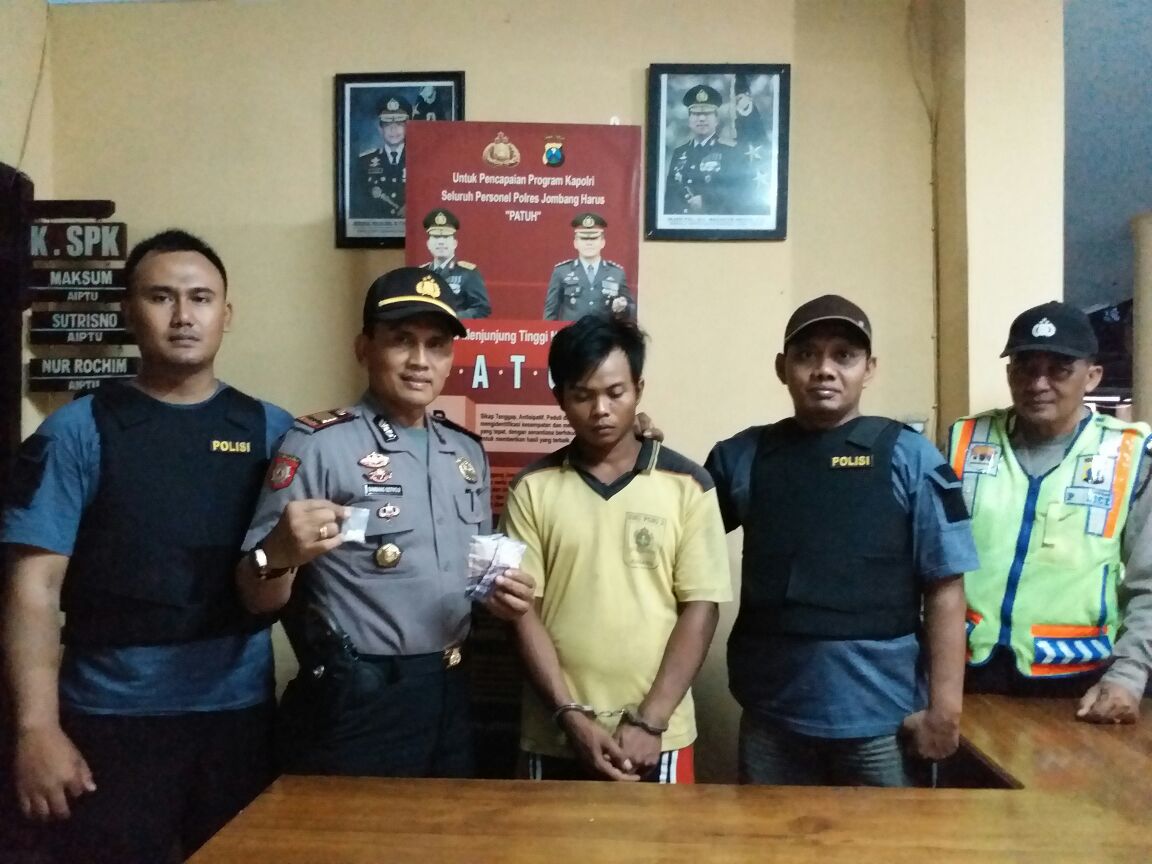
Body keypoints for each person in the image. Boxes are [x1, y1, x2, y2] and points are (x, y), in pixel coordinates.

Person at [1, 230, 294, 863]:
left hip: (238, 716)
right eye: (161, 297)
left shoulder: (272, 430)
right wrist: (36, 728)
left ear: (226, 314)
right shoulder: (77, 431)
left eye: (201, 298)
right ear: (129, 312)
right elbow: (33, 587)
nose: (183, 315)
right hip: (109, 720)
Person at [236, 266, 534, 778]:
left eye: (436, 345)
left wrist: (503, 596)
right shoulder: (319, 445)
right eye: (401, 340)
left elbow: (476, 575)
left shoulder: (466, 453)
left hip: (453, 691)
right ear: (364, 348)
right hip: (360, 698)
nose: (420, 360)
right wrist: (278, 554)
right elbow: (254, 596)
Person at [705, 295, 978, 786]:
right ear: (782, 368)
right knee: (768, 834)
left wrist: (945, 712)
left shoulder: (910, 457)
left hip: (883, 723)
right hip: (772, 717)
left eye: (844, 356)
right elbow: (676, 539)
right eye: (807, 355)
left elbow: (946, 587)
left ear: (869, 369)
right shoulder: (742, 456)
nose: (824, 370)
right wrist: (639, 449)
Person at [502, 315, 731, 783]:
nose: (600, 410)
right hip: (556, 732)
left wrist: (651, 721)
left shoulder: (688, 485)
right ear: (559, 398)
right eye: (583, 395)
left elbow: (701, 607)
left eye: (615, 393)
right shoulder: (532, 488)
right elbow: (523, 612)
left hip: (657, 737)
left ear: (638, 390)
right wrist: (569, 716)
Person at [947, 301, 1152, 723]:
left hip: (1080, 686)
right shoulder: (965, 442)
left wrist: (1129, 675)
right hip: (965, 674)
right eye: (1025, 367)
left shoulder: (1128, 456)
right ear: (1009, 373)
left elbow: (1148, 583)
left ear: (1092, 376)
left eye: (1059, 369)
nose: (1038, 383)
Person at [663, 85, 747, 216]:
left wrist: (706, 201)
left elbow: (737, 193)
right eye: (696, 114)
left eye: (707, 113)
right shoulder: (679, 153)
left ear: (716, 120)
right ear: (689, 120)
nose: (701, 119)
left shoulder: (730, 152)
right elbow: (669, 197)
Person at [542, 213, 632, 321]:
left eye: (594, 238)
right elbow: (550, 312)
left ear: (603, 243)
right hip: (573, 331)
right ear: (575, 243)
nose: (589, 243)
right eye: (584, 239)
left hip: (604, 331)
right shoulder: (562, 272)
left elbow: (630, 311)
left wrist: (623, 308)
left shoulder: (616, 274)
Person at [420, 208, 491, 319]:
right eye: (436, 237)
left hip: (456, 327)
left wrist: (453, 317)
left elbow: (482, 309)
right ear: (428, 244)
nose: (441, 242)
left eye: (446, 237)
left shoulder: (468, 273)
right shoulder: (421, 272)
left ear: (455, 243)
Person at [352, 94, 410, 219]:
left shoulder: (420, 160)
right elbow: (358, 202)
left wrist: (413, 206)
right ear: (380, 129)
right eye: (388, 124)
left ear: (408, 128)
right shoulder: (365, 162)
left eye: (399, 124)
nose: (393, 130)